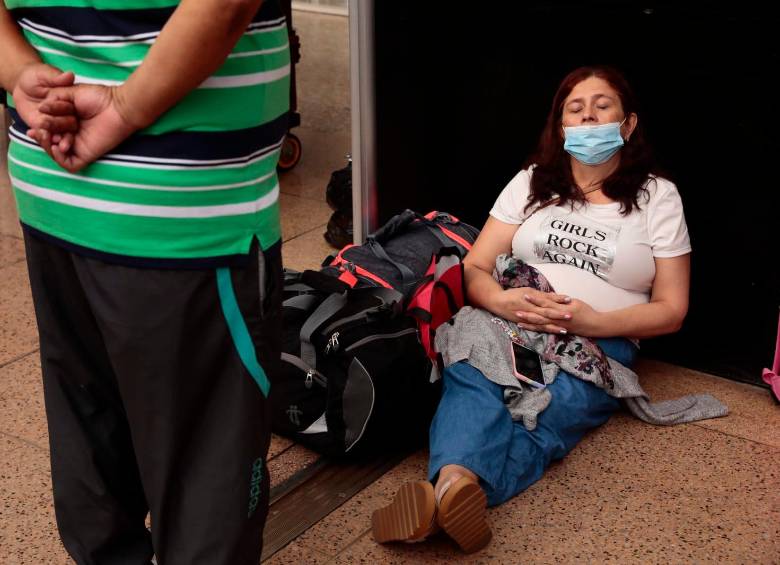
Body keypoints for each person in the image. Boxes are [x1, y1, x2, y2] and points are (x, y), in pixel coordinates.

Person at [0, 1, 290, 563]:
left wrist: (19, 75)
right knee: (207, 477)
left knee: (92, 448)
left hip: (49, 187)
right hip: (183, 218)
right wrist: (124, 107)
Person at [370, 65, 699, 553]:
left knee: (550, 415)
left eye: (602, 105)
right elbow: (475, 267)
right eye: (575, 108)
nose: (588, 117)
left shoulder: (657, 197)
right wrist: (503, 300)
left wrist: (595, 321)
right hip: (510, 318)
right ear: (561, 126)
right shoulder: (530, 183)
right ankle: (456, 489)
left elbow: (672, 309)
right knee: (474, 378)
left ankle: (451, 493)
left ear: (627, 124)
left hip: (598, 342)